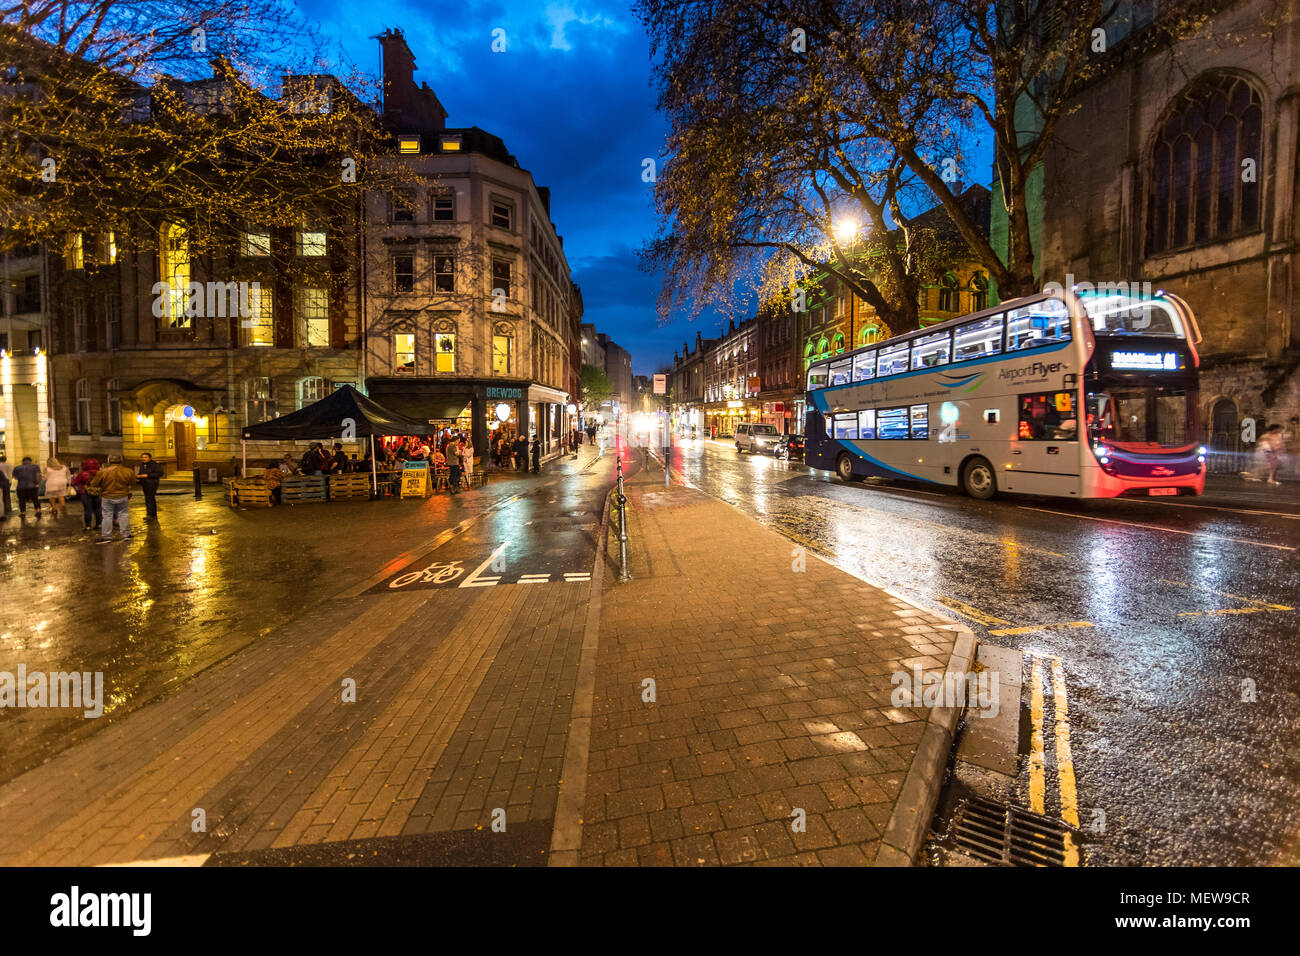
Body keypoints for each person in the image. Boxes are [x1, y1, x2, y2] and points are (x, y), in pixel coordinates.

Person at [90, 453, 136, 542]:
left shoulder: (103, 471)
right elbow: (133, 482)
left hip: (107, 496)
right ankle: (126, 535)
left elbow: (94, 483)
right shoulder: (128, 471)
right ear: (121, 460)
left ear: (109, 460)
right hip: (123, 495)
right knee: (123, 515)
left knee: (107, 516)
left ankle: (106, 537)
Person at [73, 457, 101, 532]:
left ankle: (88, 526)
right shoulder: (100, 473)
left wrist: (75, 477)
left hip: (85, 493)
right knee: (98, 509)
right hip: (98, 492)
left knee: (87, 510)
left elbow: (75, 482)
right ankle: (99, 524)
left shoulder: (82, 474)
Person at [135, 452, 163, 521]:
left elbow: (160, 473)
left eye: (145, 457)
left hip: (152, 484)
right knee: (148, 498)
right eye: (142, 457)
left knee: (150, 498)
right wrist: (138, 477)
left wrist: (147, 475)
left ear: (150, 458)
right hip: (145, 484)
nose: (144, 459)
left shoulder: (155, 465)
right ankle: (151, 514)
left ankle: (151, 514)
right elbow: (141, 473)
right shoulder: (142, 465)